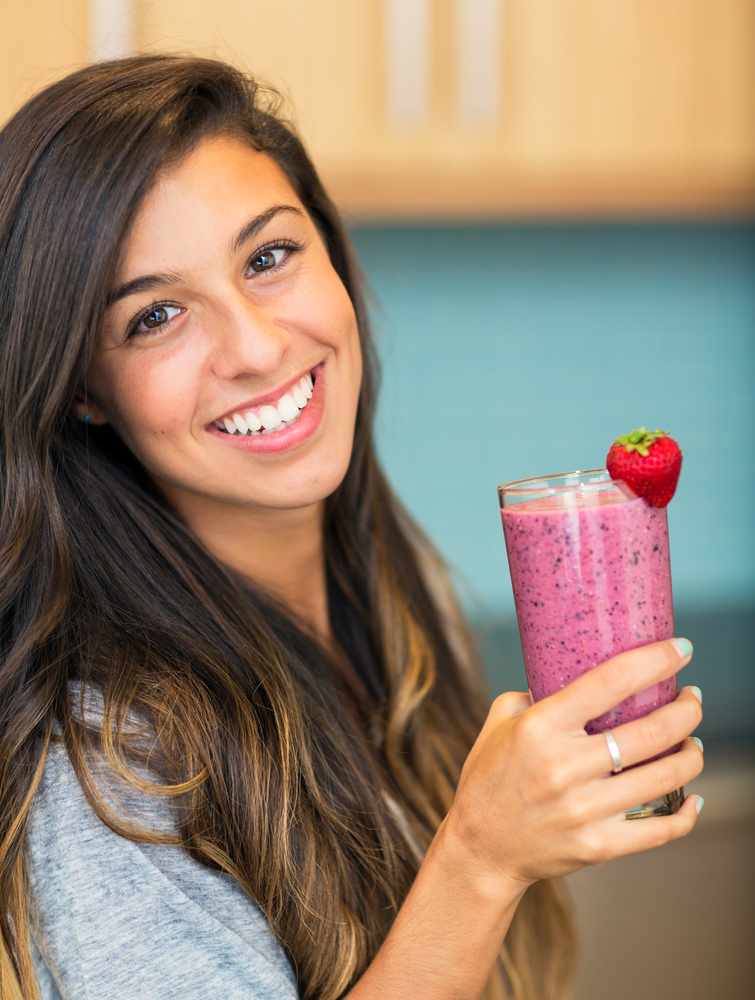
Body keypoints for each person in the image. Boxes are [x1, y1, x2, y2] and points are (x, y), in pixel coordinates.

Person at [0, 56, 703, 1000]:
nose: (254, 347)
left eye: (267, 257)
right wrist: (480, 862)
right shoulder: (103, 768)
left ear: (331, 255)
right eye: (157, 315)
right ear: (84, 389)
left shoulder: (401, 605)